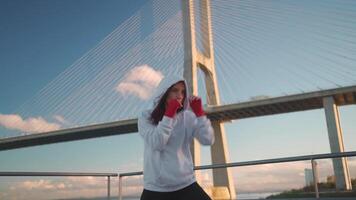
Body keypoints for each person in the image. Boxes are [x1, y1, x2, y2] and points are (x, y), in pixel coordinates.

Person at [138, 75, 215, 200]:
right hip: (155, 188)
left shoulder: (187, 117)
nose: (180, 95)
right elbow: (157, 143)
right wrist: (169, 114)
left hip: (186, 184)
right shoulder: (146, 116)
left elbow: (208, 139)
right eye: (175, 90)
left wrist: (200, 114)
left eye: (183, 92)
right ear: (164, 92)